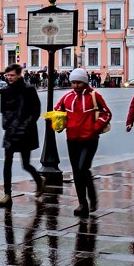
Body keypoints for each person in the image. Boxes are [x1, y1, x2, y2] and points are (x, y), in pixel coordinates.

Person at [55, 68, 112, 216]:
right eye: (73, 82)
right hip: (72, 139)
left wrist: (95, 128)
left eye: (79, 83)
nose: (75, 86)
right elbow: (58, 112)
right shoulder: (67, 97)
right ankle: (82, 203)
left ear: (85, 82)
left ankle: (92, 197)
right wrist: (57, 123)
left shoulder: (94, 96)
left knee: (82, 168)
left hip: (89, 139)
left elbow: (106, 113)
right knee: (77, 172)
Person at [0, 64, 44, 207]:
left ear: (19, 74)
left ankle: (39, 180)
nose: (9, 78)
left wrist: (26, 125)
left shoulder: (29, 89)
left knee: (25, 164)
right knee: (7, 163)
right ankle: (7, 194)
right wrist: (6, 124)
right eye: (7, 75)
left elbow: (36, 110)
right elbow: (3, 110)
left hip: (26, 131)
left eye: (12, 75)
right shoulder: (5, 91)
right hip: (11, 130)